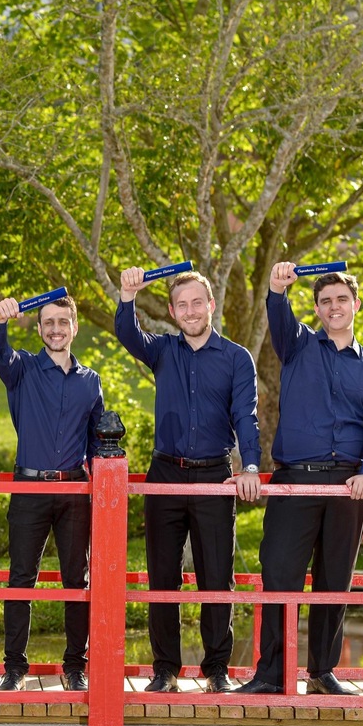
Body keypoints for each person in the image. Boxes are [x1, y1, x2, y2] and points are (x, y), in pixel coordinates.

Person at [232, 265, 363, 695]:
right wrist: (276, 288)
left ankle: (322, 672)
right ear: (317, 310)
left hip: (348, 487)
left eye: (341, 299)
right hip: (295, 483)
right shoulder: (297, 344)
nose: (334, 307)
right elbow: (278, 313)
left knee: (333, 580)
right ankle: (271, 675)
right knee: (279, 573)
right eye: (325, 301)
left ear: (356, 305)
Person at [115, 268, 261, 694]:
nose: (191, 310)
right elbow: (128, 334)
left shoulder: (236, 358)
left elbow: (246, 417)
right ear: (173, 311)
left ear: (210, 305)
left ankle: (216, 670)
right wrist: (127, 295)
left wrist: (250, 467)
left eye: (198, 302)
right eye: (182, 304)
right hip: (165, 475)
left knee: (217, 575)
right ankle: (166, 670)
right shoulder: (162, 351)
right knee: (163, 576)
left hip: (215, 476)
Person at [0, 294, 103, 693]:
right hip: (30, 488)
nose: (56, 329)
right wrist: (0, 322)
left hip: (74, 491)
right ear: (38, 329)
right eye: (48, 323)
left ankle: (75, 668)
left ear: (74, 327)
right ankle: (14, 668)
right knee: (21, 578)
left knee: (76, 580)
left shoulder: (90, 381)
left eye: (62, 322)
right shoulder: (21, 369)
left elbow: (97, 441)